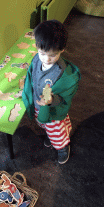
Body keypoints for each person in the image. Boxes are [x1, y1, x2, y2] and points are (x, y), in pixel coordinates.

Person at [22, 20, 81, 164]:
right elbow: (32, 75)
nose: (47, 59)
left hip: (53, 110)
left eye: (53, 55)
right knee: (44, 124)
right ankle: (50, 135)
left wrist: (51, 101)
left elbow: (65, 97)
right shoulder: (37, 59)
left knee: (57, 131)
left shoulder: (64, 75)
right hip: (39, 104)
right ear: (37, 47)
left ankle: (62, 148)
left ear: (62, 50)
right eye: (42, 53)